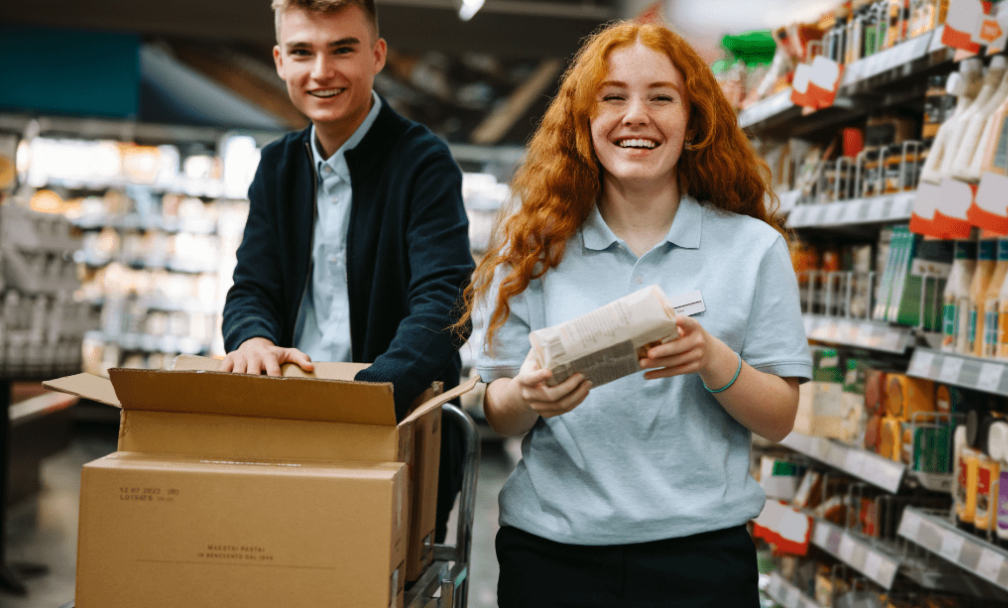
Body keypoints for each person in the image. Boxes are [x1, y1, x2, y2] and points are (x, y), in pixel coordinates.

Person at [460, 21, 811, 607]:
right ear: (584, 120)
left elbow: (778, 418)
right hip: (554, 554)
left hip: (700, 558)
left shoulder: (753, 249)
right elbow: (500, 412)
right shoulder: (532, 249)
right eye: (613, 97)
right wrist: (527, 394)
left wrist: (712, 359)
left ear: (694, 119)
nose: (636, 115)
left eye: (661, 98)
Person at [220, 0, 474, 543]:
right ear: (279, 61)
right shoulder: (277, 166)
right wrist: (252, 338)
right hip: (288, 432)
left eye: (342, 49)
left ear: (377, 54)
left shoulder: (424, 162)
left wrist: (367, 399)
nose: (320, 71)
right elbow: (252, 287)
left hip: (394, 435)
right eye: (302, 52)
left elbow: (446, 301)